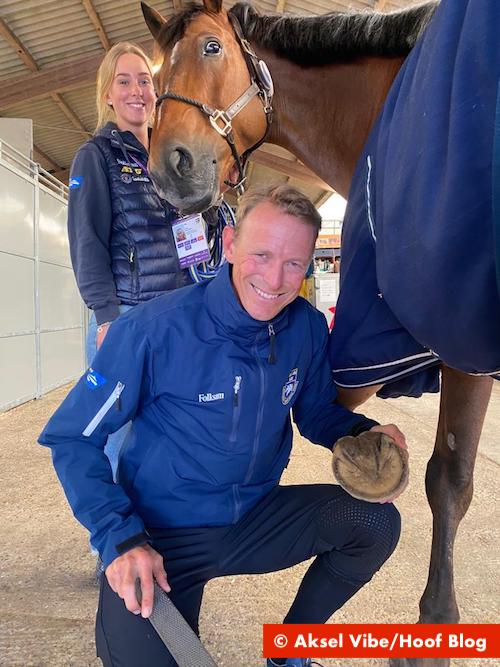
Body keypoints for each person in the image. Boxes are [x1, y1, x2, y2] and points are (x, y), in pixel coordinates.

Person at [40, 185, 405, 667]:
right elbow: (73, 437)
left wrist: (366, 433)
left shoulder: (307, 328)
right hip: (161, 537)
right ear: (229, 245)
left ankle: (291, 650)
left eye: (294, 263)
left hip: (254, 518)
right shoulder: (153, 329)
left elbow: (316, 413)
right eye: (261, 254)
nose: (275, 279)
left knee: (375, 521)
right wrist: (120, 540)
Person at [67, 42, 192, 476]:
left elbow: (189, 235)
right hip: (125, 317)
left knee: (166, 431)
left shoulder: (171, 159)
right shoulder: (96, 156)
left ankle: (160, 529)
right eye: (124, 81)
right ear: (108, 94)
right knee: (117, 434)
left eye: (144, 81)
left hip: (175, 315)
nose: (136, 90)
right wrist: (106, 318)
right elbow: (87, 243)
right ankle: (117, 540)